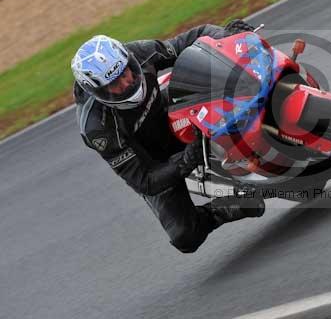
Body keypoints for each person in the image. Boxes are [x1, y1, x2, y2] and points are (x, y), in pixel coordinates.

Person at [71, 20, 265, 254]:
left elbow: (195, 37)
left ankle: (262, 121)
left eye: (127, 73)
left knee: (215, 79)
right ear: (99, 92)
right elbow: (144, 180)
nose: (127, 83)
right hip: (153, 162)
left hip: (169, 112)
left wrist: (227, 36)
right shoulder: (97, 129)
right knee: (185, 236)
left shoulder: (139, 52)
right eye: (115, 85)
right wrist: (186, 160)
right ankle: (230, 207)